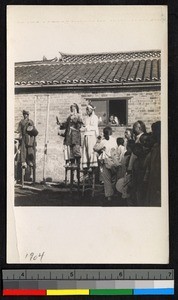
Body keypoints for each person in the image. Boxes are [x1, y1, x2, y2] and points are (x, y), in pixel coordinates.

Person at [94, 126, 117, 201]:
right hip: (114, 161)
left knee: (107, 179)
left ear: (104, 133)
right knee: (114, 178)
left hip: (106, 161)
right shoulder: (114, 140)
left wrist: (98, 140)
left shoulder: (103, 141)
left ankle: (109, 196)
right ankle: (114, 194)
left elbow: (95, 148)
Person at [57, 103, 83, 167]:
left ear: (77, 109)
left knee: (76, 150)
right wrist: (60, 124)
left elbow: (80, 125)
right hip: (69, 136)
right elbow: (66, 125)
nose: (73, 109)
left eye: (74, 108)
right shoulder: (69, 117)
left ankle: (78, 164)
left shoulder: (79, 116)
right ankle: (72, 163)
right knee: (70, 150)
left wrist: (74, 118)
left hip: (75, 136)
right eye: (71, 108)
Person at [145, 121, 161, 206]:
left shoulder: (160, 148)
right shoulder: (155, 147)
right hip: (153, 180)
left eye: (154, 132)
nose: (152, 134)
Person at [82, 103, 99, 169]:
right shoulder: (86, 118)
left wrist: (87, 127)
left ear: (92, 110)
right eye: (86, 109)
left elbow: (94, 127)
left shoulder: (95, 117)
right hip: (86, 135)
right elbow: (84, 127)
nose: (87, 111)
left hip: (92, 136)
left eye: (88, 109)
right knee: (85, 151)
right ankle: (87, 165)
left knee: (90, 151)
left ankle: (92, 166)